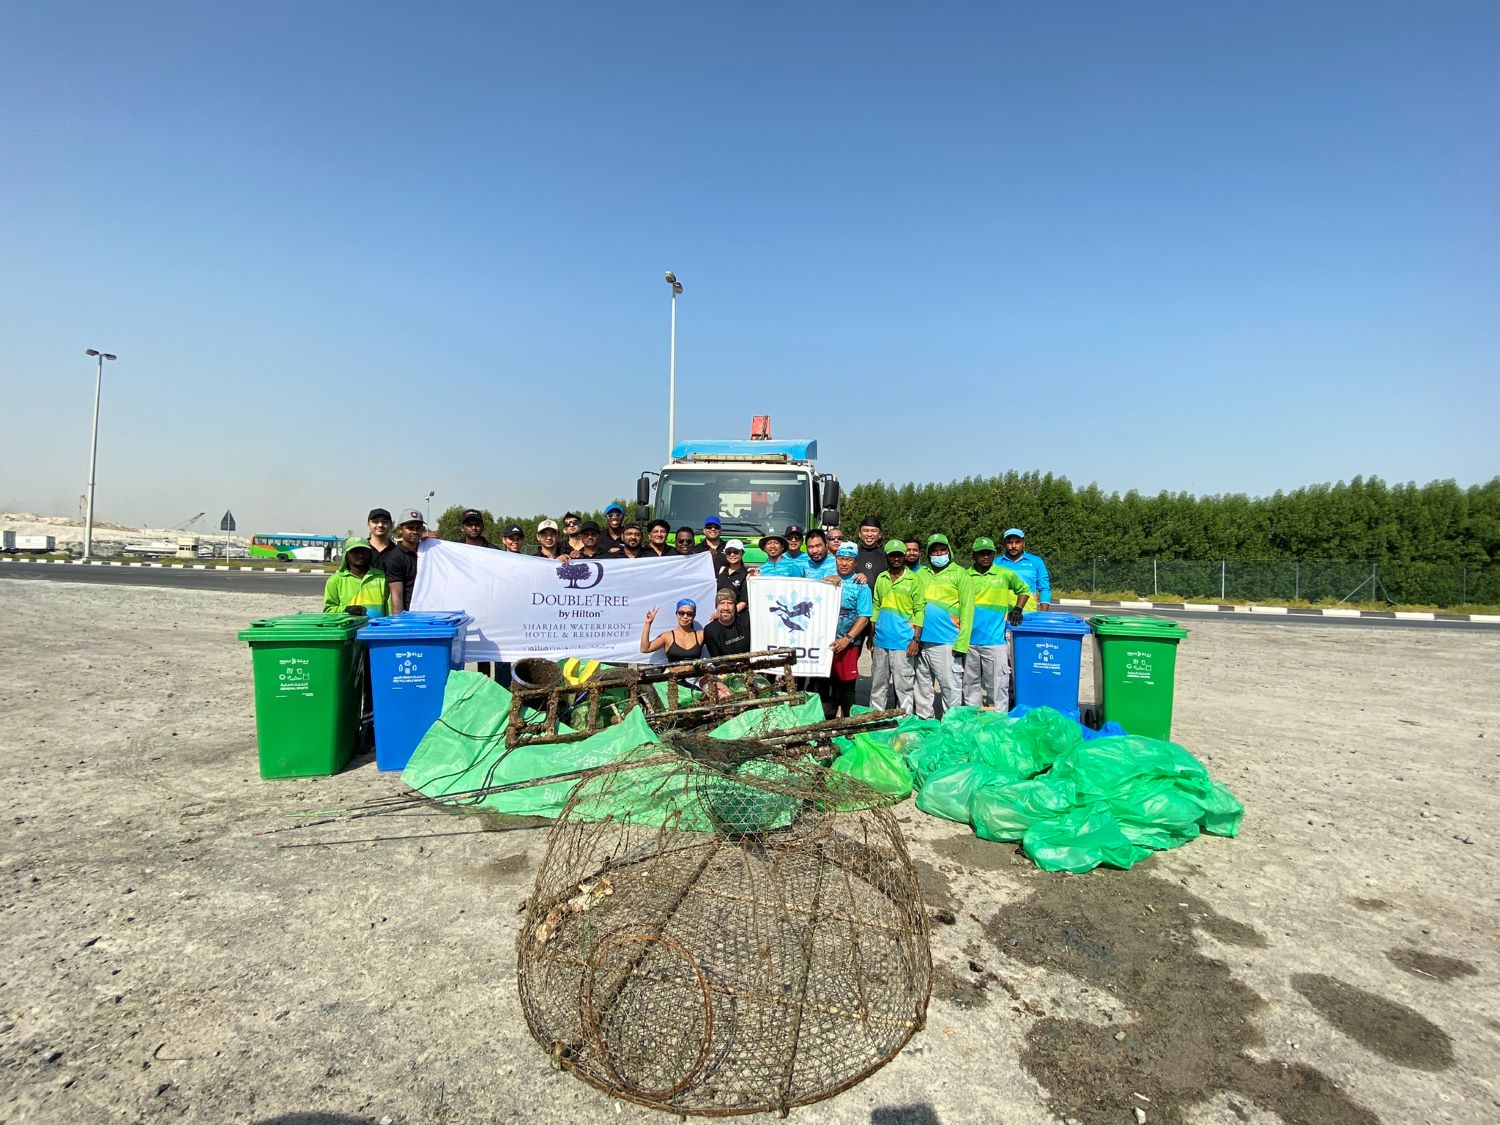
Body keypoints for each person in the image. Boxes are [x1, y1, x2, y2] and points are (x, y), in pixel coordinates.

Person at [964, 536, 1033, 708]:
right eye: (981, 553)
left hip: (995, 643)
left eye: (989, 553)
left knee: (997, 687)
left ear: (994, 554)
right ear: (973, 555)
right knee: (970, 687)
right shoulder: (965, 576)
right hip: (968, 643)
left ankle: (998, 722)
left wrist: (1018, 608)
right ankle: (975, 721)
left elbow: (1024, 590)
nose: (985, 556)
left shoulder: (1004, 574)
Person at [912, 534, 971, 719]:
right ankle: (925, 723)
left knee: (950, 687)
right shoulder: (921, 574)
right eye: (934, 551)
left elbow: (968, 610)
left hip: (947, 642)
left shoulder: (960, 574)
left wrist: (962, 642)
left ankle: (951, 726)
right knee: (922, 687)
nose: (939, 554)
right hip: (921, 641)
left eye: (942, 550)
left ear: (949, 551)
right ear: (928, 554)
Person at [871, 539, 922, 714]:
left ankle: (905, 721)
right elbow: (876, 607)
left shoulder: (913, 579)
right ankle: (875, 718)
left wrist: (916, 639)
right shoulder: (881, 578)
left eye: (899, 555)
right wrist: (872, 635)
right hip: (881, 641)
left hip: (903, 641)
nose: (896, 559)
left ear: (904, 556)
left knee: (904, 686)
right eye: (892, 555)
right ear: (887, 557)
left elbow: (919, 610)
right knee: (878, 684)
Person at [827, 543, 872, 718]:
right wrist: (824, 581)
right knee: (827, 683)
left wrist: (847, 639)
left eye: (848, 560)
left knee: (846, 685)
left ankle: (847, 723)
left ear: (855, 563)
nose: (844, 563)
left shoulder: (861, 585)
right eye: (841, 559)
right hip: (827, 643)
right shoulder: (827, 579)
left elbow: (864, 617)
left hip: (849, 643)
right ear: (836, 560)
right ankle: (828, 722)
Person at [323, 537, 390, 615]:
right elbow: (328, 610)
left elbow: (389, 610)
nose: (360, 555)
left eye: (364, 551)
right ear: (346, 555)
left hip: (376, 627)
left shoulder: (381, 577)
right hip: (348, 626)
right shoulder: (335, 580)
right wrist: (347, 609)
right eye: (355, 551)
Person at [996, 528, 1052, 611]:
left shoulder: (1036, 561)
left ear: (1023, 543)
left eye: (1017, 542)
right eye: (1010, 542)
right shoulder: (996, 562)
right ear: (1005, 544)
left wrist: (1044, 614)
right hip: (1001, 615)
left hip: (1028, 615)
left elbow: (1044, 589)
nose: (1014, 546)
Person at [380, 509, 423, 612]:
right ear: (400, 529)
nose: (415, 532)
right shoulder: (395, 557)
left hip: (430, 612)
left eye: (419, 528)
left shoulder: (428, 552)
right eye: (410, 528)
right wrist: (399, 623)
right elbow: (397, 596)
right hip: (410, 614)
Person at [640, 599, 705, 661]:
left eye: (689, 614)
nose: (685, 616)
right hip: (674, 672)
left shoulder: (700, 635)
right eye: (681, 613)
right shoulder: (667, 637)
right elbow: (645, 649)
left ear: (694, 616)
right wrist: (648, 623)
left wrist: (715, 617)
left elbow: (714, 634)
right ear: (676, 614)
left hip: (696, 672)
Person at [702, 589, 751, 657]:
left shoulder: (747, 620)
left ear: (735, 607)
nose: (726, 608)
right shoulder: (710, 630)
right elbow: (716, 659)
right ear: (716, 607)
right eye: (722, 603)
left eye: (730, 603)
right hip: (726, 667)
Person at [853, 517, 889, 589]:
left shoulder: (886, 557)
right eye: (866, 530)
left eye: (874, 531)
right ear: (859, 534)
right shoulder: (852, 555)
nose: (869, 534)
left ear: (880, 534)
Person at [716, 539, 750, 611]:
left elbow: (744, 602)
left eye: (736, 552)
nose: (732, 555)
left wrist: (728, 613)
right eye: (728, 552)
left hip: (737, 617)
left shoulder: (746, 575)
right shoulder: (722, 570)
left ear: (742, 553)